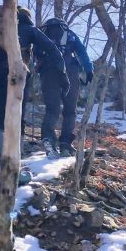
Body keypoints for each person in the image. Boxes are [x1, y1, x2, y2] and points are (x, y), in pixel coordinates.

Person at [0, 6, 68, 187]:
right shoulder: (27, 29)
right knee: (16, 119)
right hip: (13, 73)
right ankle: (14, 168)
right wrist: (63, 75)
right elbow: (53, 49)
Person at [38, 17, 93, 157]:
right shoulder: (70, 34)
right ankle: (65, 145)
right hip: (70, 71)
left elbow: (35, 53)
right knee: (70, 110)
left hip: (48, 71)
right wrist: (88, 69)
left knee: (52, 109)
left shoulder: (42, 34)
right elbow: (81, 51)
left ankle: (48, 140)